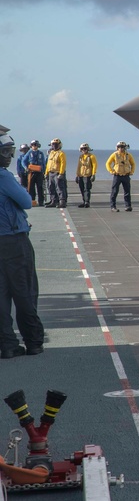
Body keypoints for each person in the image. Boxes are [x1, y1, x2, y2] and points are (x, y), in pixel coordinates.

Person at [0, 132, 45, 359]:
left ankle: (7, 345)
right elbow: (27, 201)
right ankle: (34, 341)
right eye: (4, 152)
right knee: (24, 292)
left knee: (1, 296)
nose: (8, 157)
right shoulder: (4, 177)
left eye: (9, 152)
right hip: (14, 242)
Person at [106, 141, 136, 212]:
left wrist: (132, 172)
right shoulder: (114, 155)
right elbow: (107, 163)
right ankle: (113, 207)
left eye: (122, 147)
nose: (121, 148)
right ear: (117, 148)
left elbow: (133, 164)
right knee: (114, 191)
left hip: (126, 176)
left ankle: (128, 206)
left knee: (127, 192)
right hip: (117, 176)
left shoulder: (128, 155)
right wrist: (111, 171)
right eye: (119, 147)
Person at [43, 138, 67, 208]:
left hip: (57, 172)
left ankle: (62, 201)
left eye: (56, 144)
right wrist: (46, 173)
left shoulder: (61, 153)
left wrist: (61, 173)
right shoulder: (51, 153)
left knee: (59, 187)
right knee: (51, 187)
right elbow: (48, 164)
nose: (54, 146)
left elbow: (63, 164)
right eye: (53, 144)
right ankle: (53, 201)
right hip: (50, 173)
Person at [21, 140, 46, 207]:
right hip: (31, 172)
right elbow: (23, 161)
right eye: (33, 145)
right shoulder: (29, 153)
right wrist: (26, 168)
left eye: (36, 145)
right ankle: (32, 200)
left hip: (39, 173)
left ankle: (41, 201)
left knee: (40, 187)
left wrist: (44, 172)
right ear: (31, 146)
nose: (34, 146)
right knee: (31, 187)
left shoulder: (41, 153)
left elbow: (43, 163)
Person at [76, 143, 97, 208]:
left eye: (85, 149)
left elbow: (94, 165)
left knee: (87, 189)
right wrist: (77, 175)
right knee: (82, 189)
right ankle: (84, 201)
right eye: (82, 149)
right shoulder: (81, 157)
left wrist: (93, 174)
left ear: (88, 149)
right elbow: (79, 166)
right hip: (81, 175)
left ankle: (87, 202)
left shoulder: (91, 156)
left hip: (87, 175)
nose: (84, 150)